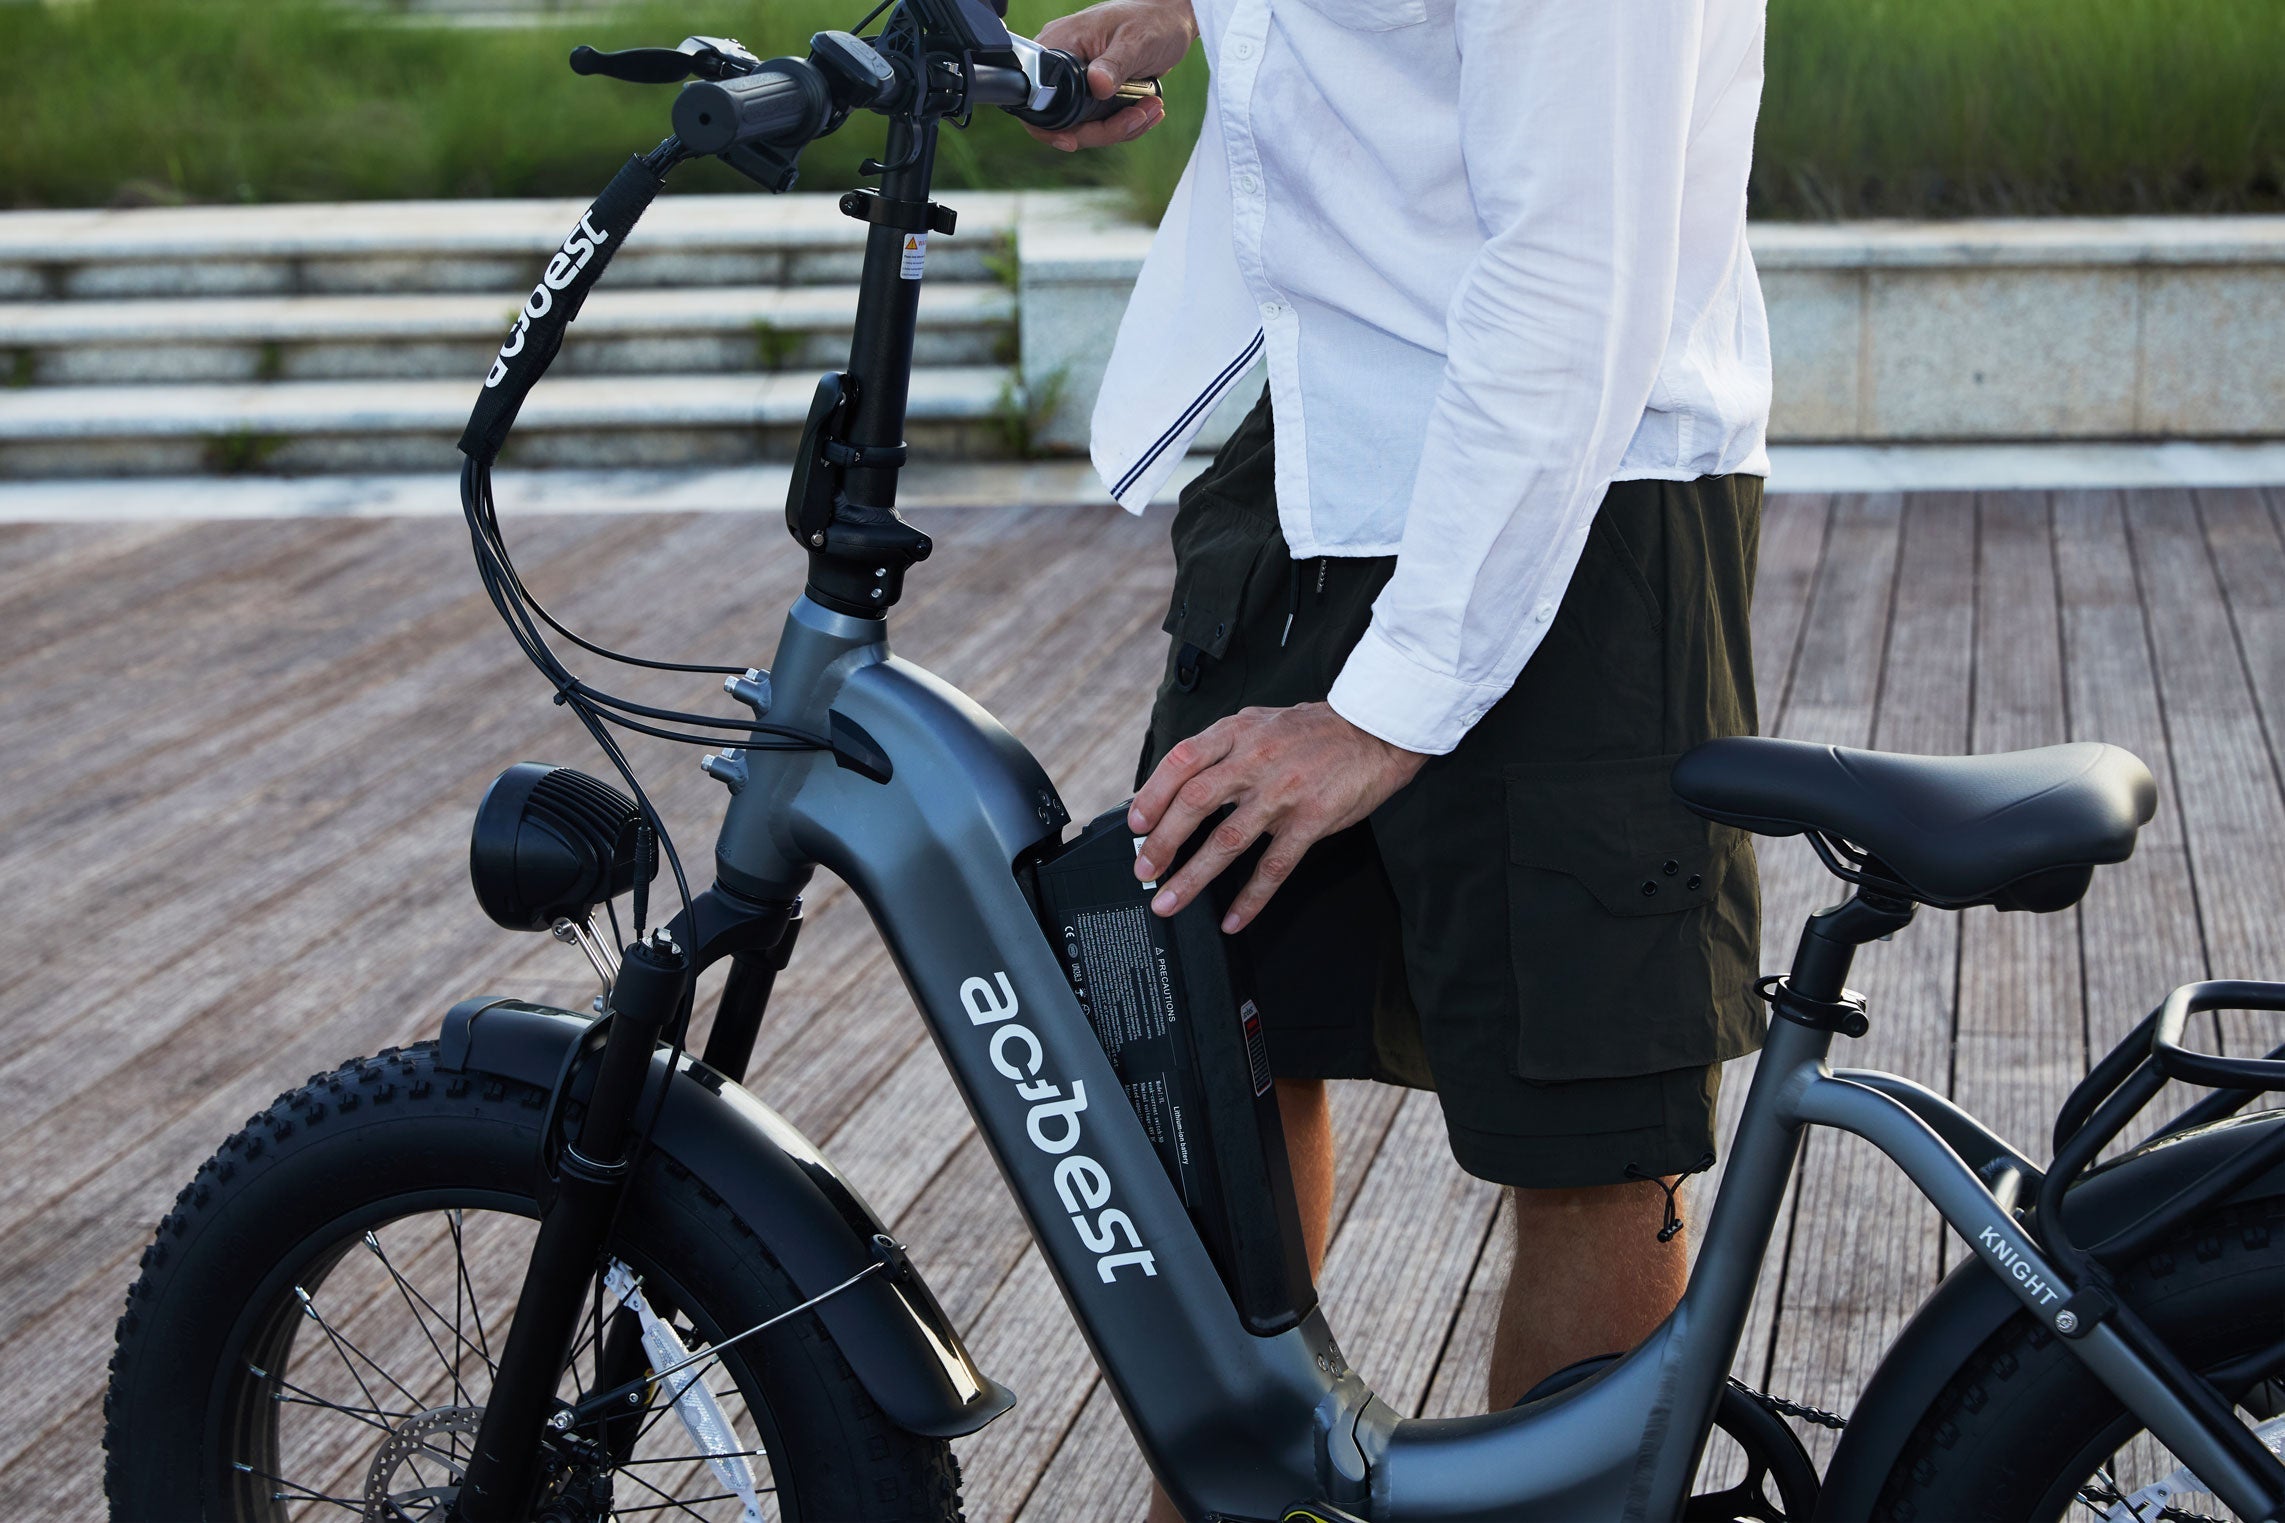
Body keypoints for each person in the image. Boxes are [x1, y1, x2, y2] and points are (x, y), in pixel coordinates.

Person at [1028, 0, 1771, 1510]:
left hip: (1575, 487)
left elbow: (1577, 258)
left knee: (1589, 1124)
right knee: (1203, 1044)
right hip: (1316, 434)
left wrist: (1385, 712)